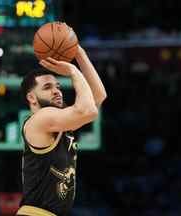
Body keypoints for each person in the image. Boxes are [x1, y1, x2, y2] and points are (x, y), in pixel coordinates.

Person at [16, 45, 107, 216]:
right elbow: (87, 110)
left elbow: (99, 96)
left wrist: (79, 53)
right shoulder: (40, 119)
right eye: (48, 87)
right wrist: (73, 71)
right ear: (31, 97)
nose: (57, 91)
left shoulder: (58, 120)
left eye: (57, 86)